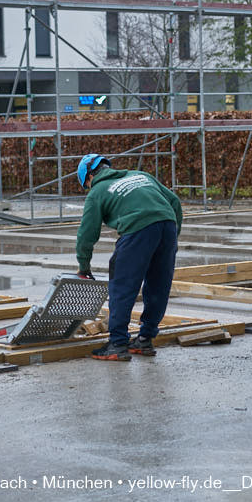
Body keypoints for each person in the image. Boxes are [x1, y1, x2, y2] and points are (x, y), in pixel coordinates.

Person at [75, 154, 183, 361]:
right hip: (167, 226)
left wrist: (84, 266)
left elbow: (86, 234)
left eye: (86, 184)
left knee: (122, 286)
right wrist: (172, 238)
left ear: (89, 177)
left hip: (137, 230)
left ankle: (117, 344)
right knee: (158, 286)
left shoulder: (97, 192)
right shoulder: (141, 175)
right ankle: (145, 339)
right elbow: (174, 202)